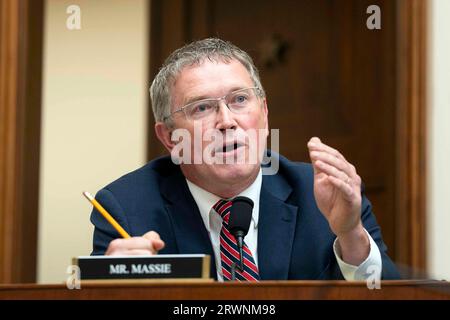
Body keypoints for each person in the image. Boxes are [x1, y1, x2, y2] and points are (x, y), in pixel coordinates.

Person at [90, 38, 400, 281]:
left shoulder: (324, 194)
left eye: (239, 100)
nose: (227, 121)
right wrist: (118, 286)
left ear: (264, 113)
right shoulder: (126, 210)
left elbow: (390, 297)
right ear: (170, 138)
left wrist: (350, 234)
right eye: (202, 108)